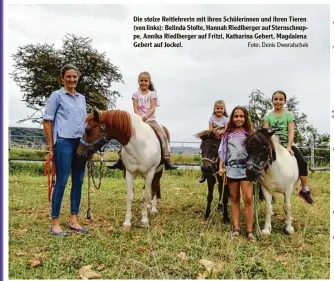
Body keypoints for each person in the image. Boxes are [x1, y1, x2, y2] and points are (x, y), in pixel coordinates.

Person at [43, 64, 88, 237]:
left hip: (80, 143)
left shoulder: (82, 98)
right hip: (63, 142)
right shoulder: (57, 96)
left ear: (78, 78)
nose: (72, 79)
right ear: (62, 78)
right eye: (68, 76)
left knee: (78, 181)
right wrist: (51, 146)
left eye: (74, 76)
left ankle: (74, 220)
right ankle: (54, 222)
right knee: (61, 181)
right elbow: (47, 121)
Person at [109, 71, 177, 170]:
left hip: (151, 120)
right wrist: (139, 116)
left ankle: (166, 158)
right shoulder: (135, 95)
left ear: (149, 82)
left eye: (146, 81)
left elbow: (153, 107)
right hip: (138, 120)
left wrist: (146, 116)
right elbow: (135, 108)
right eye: (141, 81)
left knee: (163, 136)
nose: (143, 82)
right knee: (124, 134)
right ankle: (120, 159)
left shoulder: (152, 94)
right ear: (138, 82)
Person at [264, 90, 313, 204]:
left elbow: (291, 132)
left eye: (281, 99)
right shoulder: (268, 116)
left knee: (302, 162)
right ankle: (262, 187)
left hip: (287, 144)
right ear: (272, 101)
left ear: (284, 101)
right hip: (273, 145)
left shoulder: (289, 115)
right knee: (259, 161)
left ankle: (305, 189)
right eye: (275, 99)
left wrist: (289, 147)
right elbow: (265, 133)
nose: (278, 101)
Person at [218, 106, 255, 241]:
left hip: (246, 170)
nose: (238, 119)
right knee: (234, 198)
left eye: (241, 116)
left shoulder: (249, 133)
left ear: (245, 118)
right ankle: (236, 228)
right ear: (232, 118)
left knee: (248, 198)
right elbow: (223, 151)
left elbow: (255, 152)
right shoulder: (227, 135)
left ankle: (250, 231)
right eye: (236, 116)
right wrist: (221, 167)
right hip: (232, 169)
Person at [199, 100, 228, 183]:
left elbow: (226, 129)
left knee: (228, 148)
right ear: (214, 109)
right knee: (205, 146)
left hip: (222, 137)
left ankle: (226, 167)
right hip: (214, 137)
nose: (219, 110)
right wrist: (214, 134)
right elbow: (210, 129)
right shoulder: (212, 118)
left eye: (221, 108)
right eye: (217, 108)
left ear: (224, 109)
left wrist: (221, 134)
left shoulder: (225, 119)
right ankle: (204, 172)